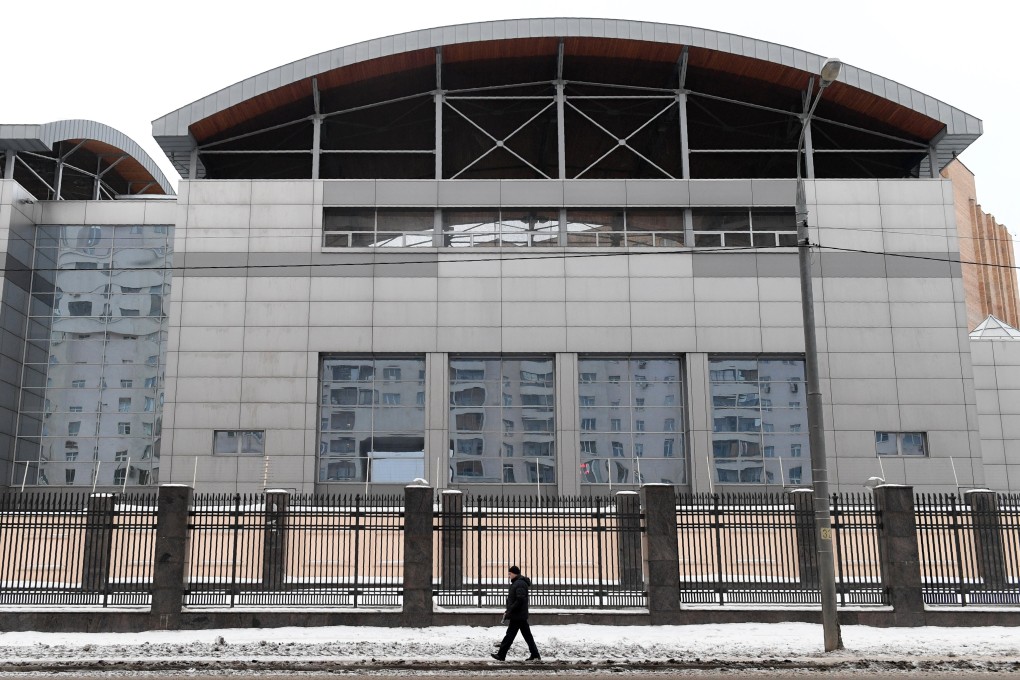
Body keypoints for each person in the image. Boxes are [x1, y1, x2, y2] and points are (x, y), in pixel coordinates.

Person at [491, 565, 541, 661]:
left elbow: (520, 599)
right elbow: (517, 599)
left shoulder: (520, 584)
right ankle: (535, 654)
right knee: (527, 636)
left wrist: (510, 610)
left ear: (514, 573)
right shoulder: (517, 583)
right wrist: (509, 610)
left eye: (510, 574)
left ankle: (501, 655)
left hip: (518, 615)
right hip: (519, 615)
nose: (509, 576)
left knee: (509, 635)